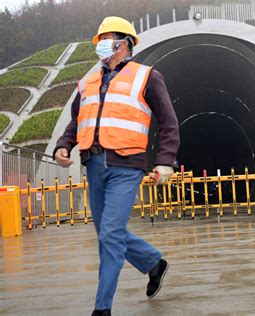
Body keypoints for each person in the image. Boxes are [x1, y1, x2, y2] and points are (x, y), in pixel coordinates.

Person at [53, 16, 180, 315]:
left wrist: (165, 162)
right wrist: (63, 144)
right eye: (100, 41)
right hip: (93, 163)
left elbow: (169, 123)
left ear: (125, 43)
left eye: (107, 40)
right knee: (108, 233)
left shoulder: (147, 76)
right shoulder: (88, 82)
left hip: (126, 166)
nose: (101, 46)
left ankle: (102, 308)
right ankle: (153, 262)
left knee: (110, 234)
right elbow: (77, 120)